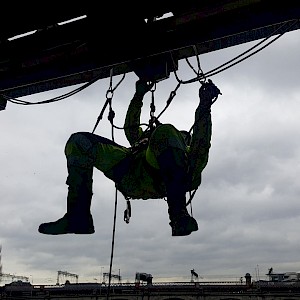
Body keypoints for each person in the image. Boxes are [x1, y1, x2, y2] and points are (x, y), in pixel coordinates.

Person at [38, 78, 221, 236]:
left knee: (165, 132)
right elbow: (131, 129)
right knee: (79, 143)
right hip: (132, 172)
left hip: (159, 179)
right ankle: (78, 217)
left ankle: (178, 215)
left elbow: (201, 142)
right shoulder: (147, 143)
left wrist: (204, 106)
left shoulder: (189, 159)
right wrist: (139, 95)